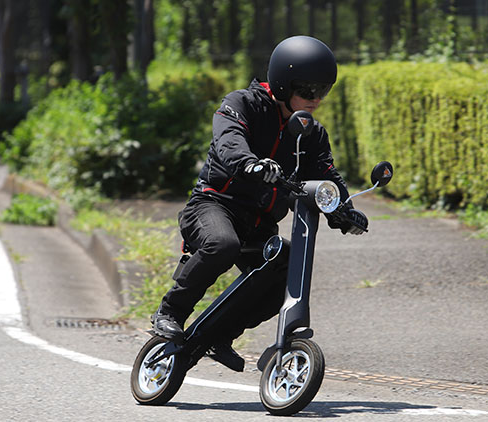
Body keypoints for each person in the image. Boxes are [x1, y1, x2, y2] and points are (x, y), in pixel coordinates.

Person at [151, 35, 368, 372]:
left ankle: (220, 335)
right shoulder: (241, 104)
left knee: (288, 269)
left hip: (259, 223)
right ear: (283, 83)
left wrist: (343, 211)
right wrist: (250, 163)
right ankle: (170, 313)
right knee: (222, 243)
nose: (316, 100)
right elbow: (228, 141)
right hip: (213, 206)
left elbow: (324, 172)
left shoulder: (311, 133)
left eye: (322, 91)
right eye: (308, 91)